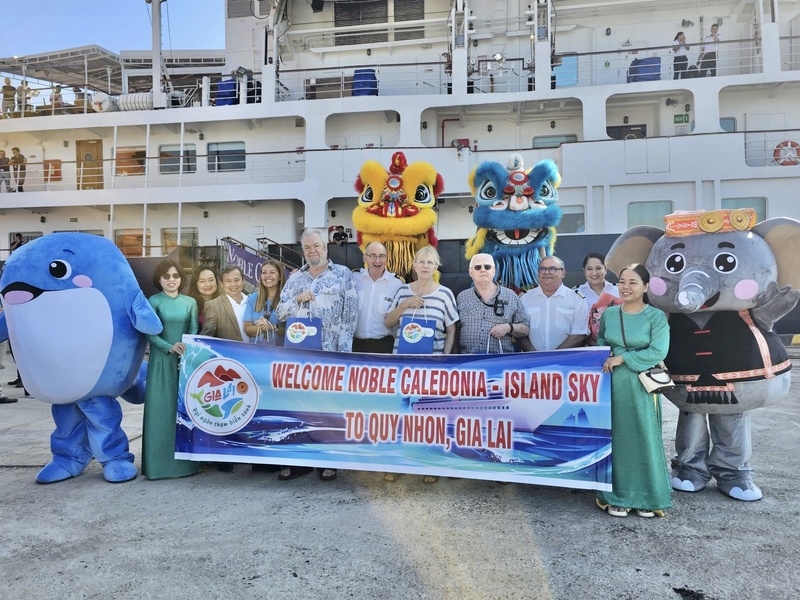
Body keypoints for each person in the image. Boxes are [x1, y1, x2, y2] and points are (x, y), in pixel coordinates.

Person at [276, 228, 358, 482]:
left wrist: (343, 355)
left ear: (326, 247)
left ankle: (329, 461)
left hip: (331, 355)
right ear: (303, 251)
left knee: (328, 410)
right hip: (301, 359)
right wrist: (296, 301)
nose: (313, 251)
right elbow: (280, 313)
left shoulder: (343, 275)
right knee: (300, 409)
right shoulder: (295, 279)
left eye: (317, 246)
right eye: (308, 247)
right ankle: (300, 462)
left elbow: (350, 315)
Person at [594, 264, 672, 518]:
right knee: (616, 437)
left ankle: (648, 497)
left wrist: (623, 358)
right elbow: (602, 341)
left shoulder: (656, 317)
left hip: (641, 385)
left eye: (633, 282)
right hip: (612, 383)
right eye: (622, 282)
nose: (625, 287)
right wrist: (609, 355)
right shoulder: (609, 314)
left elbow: (658, 352)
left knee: (643, 435)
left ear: (646, 287)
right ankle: (616, 495)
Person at [383, 245, 458, 483]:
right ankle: (398, 463)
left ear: (436, 267)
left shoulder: (445, 293)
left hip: (432, 366)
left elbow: (452, 327)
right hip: (403, 365)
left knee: (430, 415)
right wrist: (405, 305)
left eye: (430, 262)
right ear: (414, 266)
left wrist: (444, 357)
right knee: (401, 413)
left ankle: (430, 464)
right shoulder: (402, 291)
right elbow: (387, 322)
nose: (425, 266)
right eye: (421, 262)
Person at [142, 260, 201, 480]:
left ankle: (186, 466)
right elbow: (148, 332)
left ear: (181, 278)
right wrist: (169, 347)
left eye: (175, 276)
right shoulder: (154, 301)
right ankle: (158, 467)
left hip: (184, 361)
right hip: (160, 362)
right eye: (166, 276)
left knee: (184, 411)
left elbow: (194, 327)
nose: (171, 280)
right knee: (160, 412)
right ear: (159, 279)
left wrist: (187, 348)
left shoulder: (190, 302)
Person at [200, 265, 248, 473]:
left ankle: (255, 457)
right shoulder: (213, 305)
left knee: (251, 411)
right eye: (228, 281)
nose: (233, 285)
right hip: (227, 370)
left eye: (236, 280)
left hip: (254, 365)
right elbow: (208, 333)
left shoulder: (253, 300)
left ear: (243, 280)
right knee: (227, 413)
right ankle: (224, 456)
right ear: (221, 284)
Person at [456, 253, 529, 354]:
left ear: (494, 271)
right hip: (468, 364)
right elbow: (455, 331)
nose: (483, 270)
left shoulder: (511, 296)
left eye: (487, 266)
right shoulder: (461, 297)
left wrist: (508, 328)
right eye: (477, 267)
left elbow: (525, 329)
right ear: (470, 272)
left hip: (499, 363)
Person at [519, 256, 590, 351]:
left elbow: (579, 333)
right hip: (531, 361)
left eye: (552, 269)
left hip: (564, 361)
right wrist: (533, 355)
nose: (547, 272)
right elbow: (519, 332)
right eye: (542, 269)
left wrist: (554, 356)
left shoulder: (577, 299)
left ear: (563, 273)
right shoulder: (524, 299)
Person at [352, 241, 403, 354]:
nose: (377, 260)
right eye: (373, 256)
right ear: (365, 258)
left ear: (386, 258)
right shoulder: (353, 278)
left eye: (382, 256)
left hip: (384, 346)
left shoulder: (397, 284)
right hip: (355, 345)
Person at [243, 259, 287, 347]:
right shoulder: (253, 297)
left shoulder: (287, 299)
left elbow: (292, 331)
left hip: (280, 352)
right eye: (264, 273)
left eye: (272, 272)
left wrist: (273, 327)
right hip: (255, 350)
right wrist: (262, 327)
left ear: (280, 277)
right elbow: (247, 329)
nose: (267, 276)